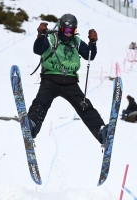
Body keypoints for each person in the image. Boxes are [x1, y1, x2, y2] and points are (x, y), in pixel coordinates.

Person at [27, 14, 109, 145]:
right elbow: (38, 50)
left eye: (73, 31)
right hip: (50, 78)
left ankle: (101, 132)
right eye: (67, 30)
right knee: (41, 103)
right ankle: (31, 126)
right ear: (61, 28)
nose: (69, 34)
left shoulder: (76, 42)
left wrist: (93, 43)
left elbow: (90, 55)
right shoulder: (51, 38)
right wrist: (40, 35)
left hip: (70, 82)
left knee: (85, 106)